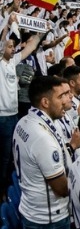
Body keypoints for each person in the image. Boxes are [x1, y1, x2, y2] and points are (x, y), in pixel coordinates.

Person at [13, 75, 72, 229]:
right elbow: (61, 189)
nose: (65, 102)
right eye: (60, 97)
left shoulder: (24, 121)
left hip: (31, 208)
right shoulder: (42, 138)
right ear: (45, 102)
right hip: (48, 219)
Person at [0, 12, 42, 196]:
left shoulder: (13, 61)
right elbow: (4, 38)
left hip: (12, 116)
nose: (12, 48)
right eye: (9, 46)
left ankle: (2, 189)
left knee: (6, 156)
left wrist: (42, 33)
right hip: (0, 115)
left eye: (13, 46)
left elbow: (31, 46)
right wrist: (9, 24)